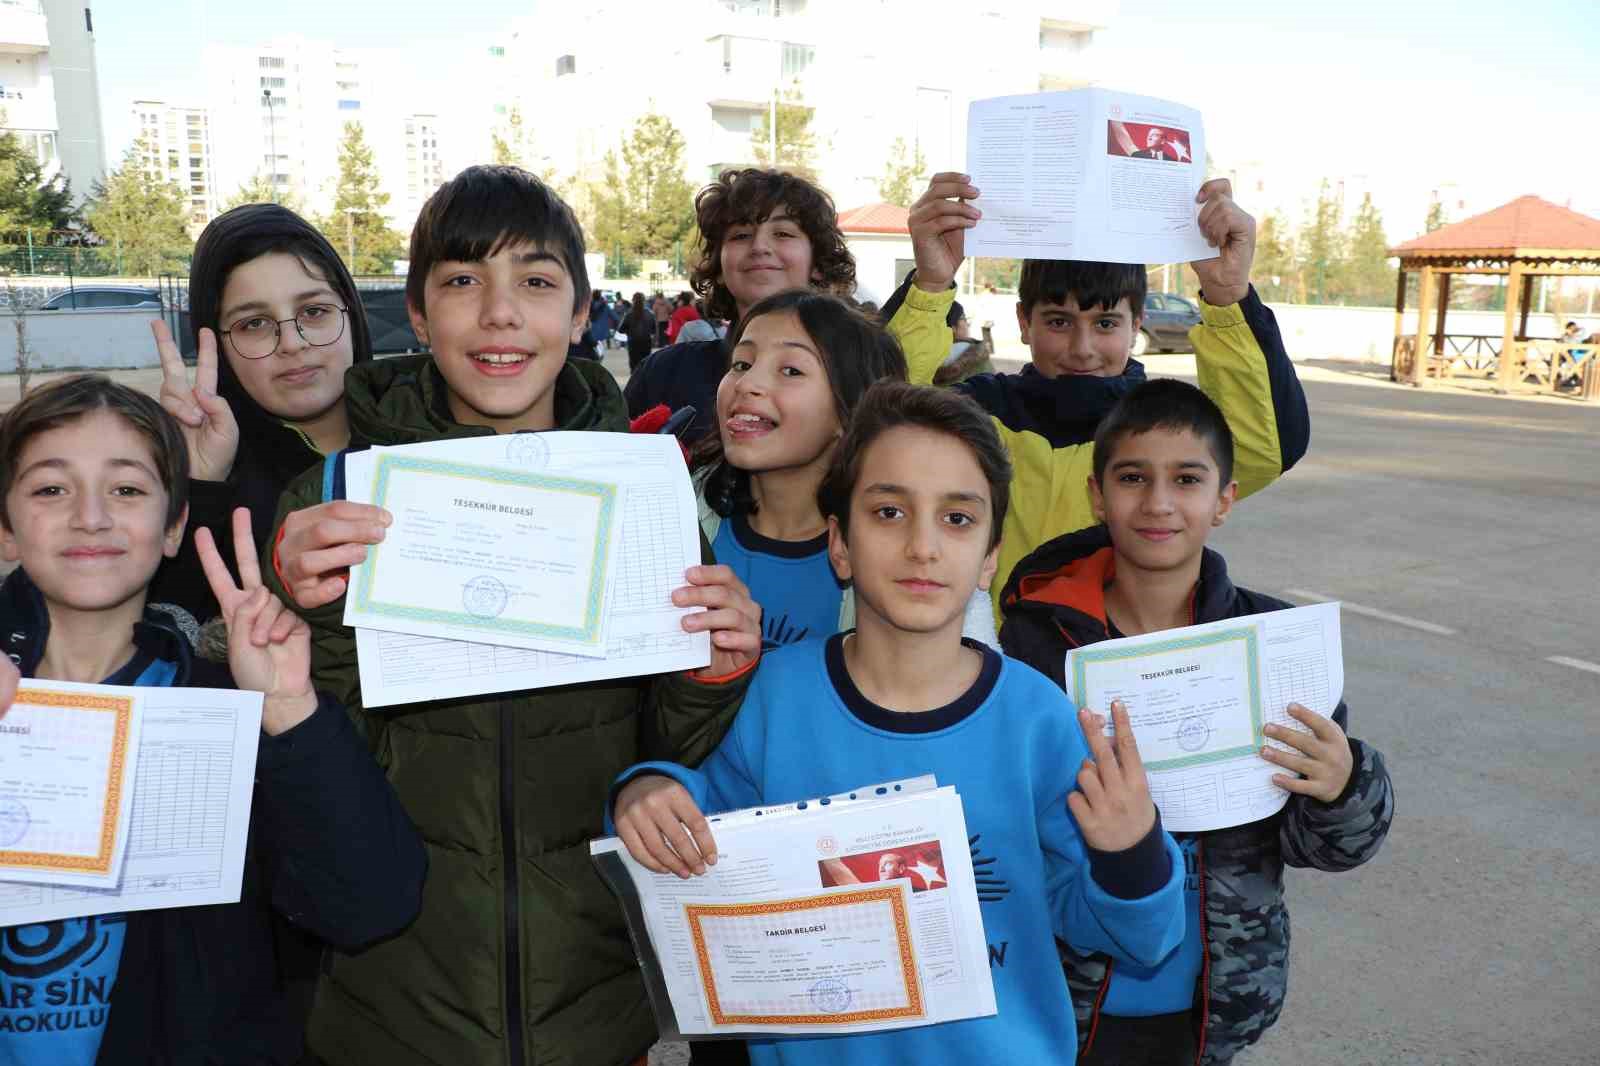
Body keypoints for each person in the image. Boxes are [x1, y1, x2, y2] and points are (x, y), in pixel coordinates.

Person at [261, 164, 763, 1066]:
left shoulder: (644, 492)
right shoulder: (332, 505)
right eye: (462, 282)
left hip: (599, 1010)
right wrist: (309, 612)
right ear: (417, 314)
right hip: (392, 1012)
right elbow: (318, 767)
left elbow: (662, 745)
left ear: (580, 316)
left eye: (535, 283)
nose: (500, 314)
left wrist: (711, 671)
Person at [610, 380, 1185, 1065]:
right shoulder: (771, 700)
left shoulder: (1040, 723)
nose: (922, 546)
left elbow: (1139, 938)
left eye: (958, 519)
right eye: (888, 511)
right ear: (840, 545)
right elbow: (699, 827)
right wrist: (649, 789)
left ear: (990, 557)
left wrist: (1132, 852)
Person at [0, 375, 424, 1064]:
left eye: (128, 489)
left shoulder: (222, 715)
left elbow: (371, 905)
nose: (91, 516)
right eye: (50, 488)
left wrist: (292, 713)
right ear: (7, 528)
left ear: (172, 527)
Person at [996, 379, 1394, 1065]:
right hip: (1061, 1000)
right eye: (1132, 478)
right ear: (1097, 495)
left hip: (1217, 1008)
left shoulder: (1274, 645)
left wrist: (1344, 784)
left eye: (1186, 479)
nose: (1157, 503)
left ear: (1224, 500)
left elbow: (1326, 847)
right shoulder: (1033, 647)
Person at [896, 172, 1310, 617]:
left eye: (1106, 323)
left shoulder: (1167, 427)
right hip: (994, 671)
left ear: (1137, 325)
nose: (1082, 348)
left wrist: (1228, 297)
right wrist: (930, 288)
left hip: (1114, 673)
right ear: (1023, 321)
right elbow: (872, 423)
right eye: (1059, 321)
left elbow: (1263, 449)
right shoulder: (976, 414)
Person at [148, 203, 374, 626]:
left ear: (351, 312)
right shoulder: (208, 476)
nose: (291, 342)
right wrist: (197, 486)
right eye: (254, 324)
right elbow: (165, 636)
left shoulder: (427, 428)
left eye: (313, 312)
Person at [624, 168, 949, 444]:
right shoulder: (663, 373)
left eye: (782, 233)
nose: (760, 247)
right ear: (718, 266)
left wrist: (932, 282)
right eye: (740, 235)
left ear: (817, 262)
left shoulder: (853, 369)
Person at [691, 290, 907, 652]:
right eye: (741, 364)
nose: (747, 384)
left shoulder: (884, 563)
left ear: (849, 410)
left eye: (790, 369)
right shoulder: (680, 516)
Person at [623, 290, 656, 371]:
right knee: (645, 363)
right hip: (646, 341)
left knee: (634, 365)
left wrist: (628, 331)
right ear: (644, 301)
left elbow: (621, 329)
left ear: (633, 300)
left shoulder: (629, 314)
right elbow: (654, 330)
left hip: (632, 341)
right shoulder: (650, 314)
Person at [587, 289, 619, 358]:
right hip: (603, 332)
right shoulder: (605, 306)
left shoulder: (589, 306)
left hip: (592, 332)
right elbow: (614, 316)